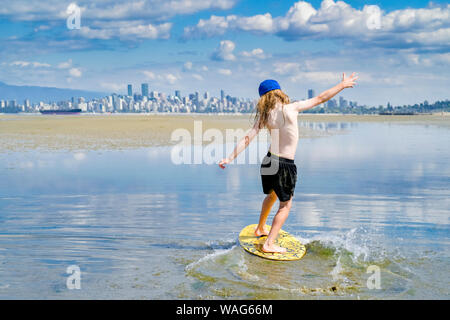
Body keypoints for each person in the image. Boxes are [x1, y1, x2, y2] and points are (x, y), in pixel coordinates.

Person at [219, 73, 358, 253]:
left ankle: (260, 228)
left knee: (271, 195)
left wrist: (229, 158)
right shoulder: (291, 108)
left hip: (269, 161)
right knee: (285, 206)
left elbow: (247, 138)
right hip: (284, 165)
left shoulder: (265, 116)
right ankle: (269, 244)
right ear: (280, 92)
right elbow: (321, 98)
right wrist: (342, 85)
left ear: (263, 98)